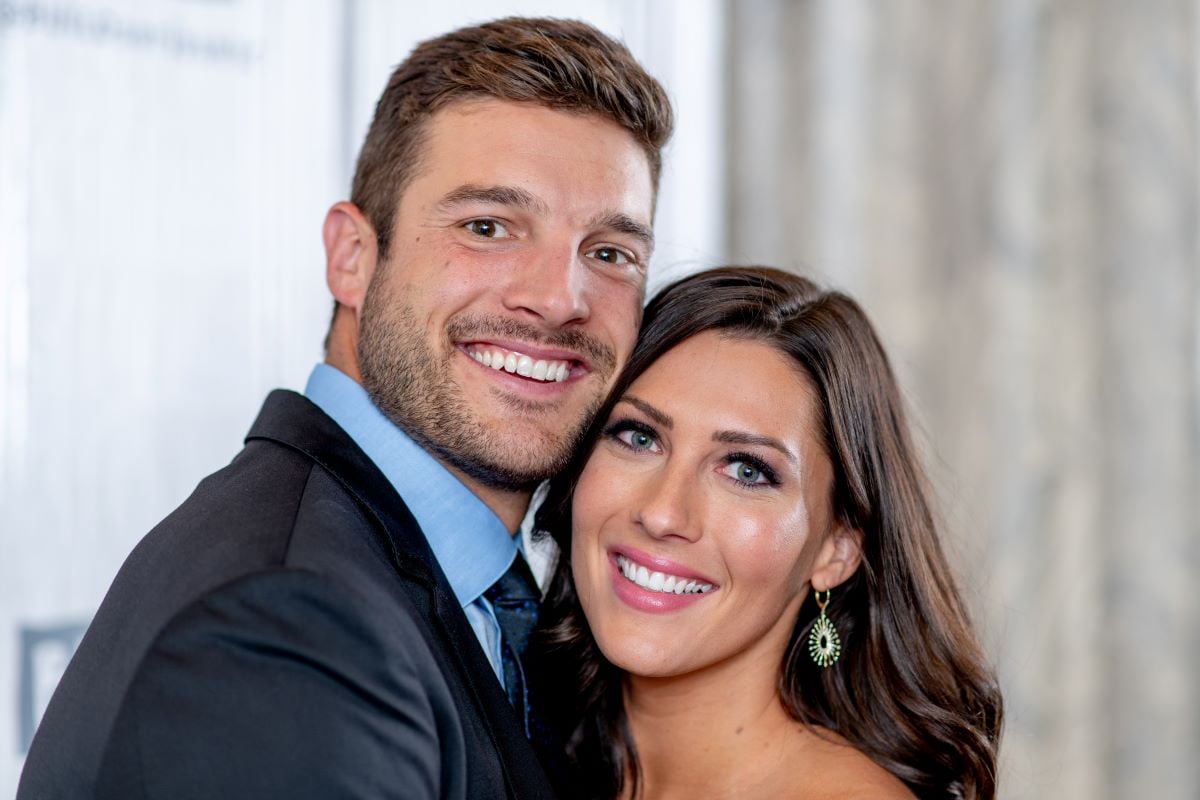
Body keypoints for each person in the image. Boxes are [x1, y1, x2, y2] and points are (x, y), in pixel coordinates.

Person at [17, 17, 672, 800]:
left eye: (610, 253)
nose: (560, 299)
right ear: (352, 257)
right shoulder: (285, 629)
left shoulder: (465, 586)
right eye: (488, 227)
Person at [530, 267, 1004, 799]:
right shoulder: (517, 738)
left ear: (838, 549)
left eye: (746, 470)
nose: (662, 514)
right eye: (639, 437)